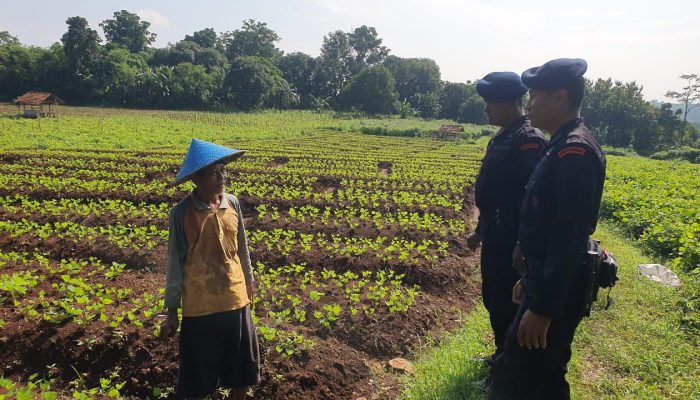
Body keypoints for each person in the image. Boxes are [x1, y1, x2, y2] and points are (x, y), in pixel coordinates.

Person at [490, 59, 606, 399]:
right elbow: (544, 224)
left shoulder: (575, 152)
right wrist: (528, 277)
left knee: (514, 378)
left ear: (559, 97)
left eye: (535, 96)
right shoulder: (559, 143)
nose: (528, 105)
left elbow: (568, 237)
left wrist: (542, 308)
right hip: (541, 280)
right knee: (546, 377)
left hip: (555, 292)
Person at [160, 139, 260, 400]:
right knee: (198, 381)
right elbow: (175, 262)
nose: (221, 177)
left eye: (223, 170)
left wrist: (249, 282)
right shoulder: (181, 213)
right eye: (213, 172)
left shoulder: (233, 203)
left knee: (242, 374)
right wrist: (172, 310)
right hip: (201, 307)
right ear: (197, 180)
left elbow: (242, 247)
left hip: (236, 301)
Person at [468, 71, 546, 361]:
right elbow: (494, 195)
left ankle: (513, 362)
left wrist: (522, 244)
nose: (486, 109)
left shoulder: (528, 140)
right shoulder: (502, 138)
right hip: (496, 234)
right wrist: (480, 230)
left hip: (513, 240)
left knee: (509, 300)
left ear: (512, 102)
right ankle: (502, 354)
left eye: (491, 103)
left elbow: (532, 200)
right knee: (494, 296)